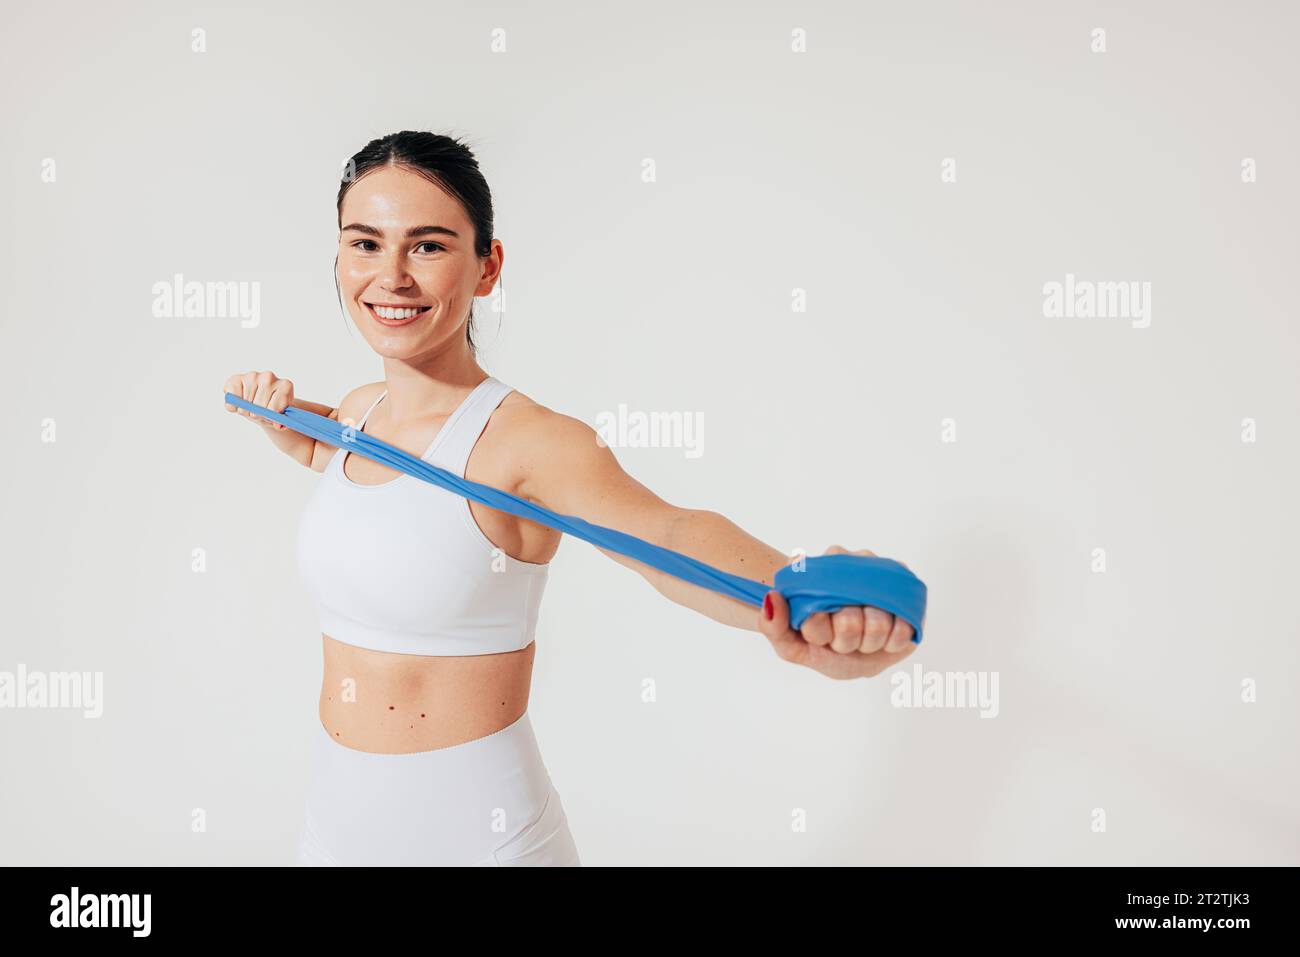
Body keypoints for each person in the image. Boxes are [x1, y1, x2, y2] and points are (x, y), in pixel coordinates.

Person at [223, 130, 919, 866]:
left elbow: (668, 534)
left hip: (482, 842)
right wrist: (291, 427)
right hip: (333, 834)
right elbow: (381, 503)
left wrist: (801, 593)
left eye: (427, 246)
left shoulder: (529, 442)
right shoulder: (360, 415)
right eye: (365, 243)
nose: (390, 275)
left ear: (488, 266)